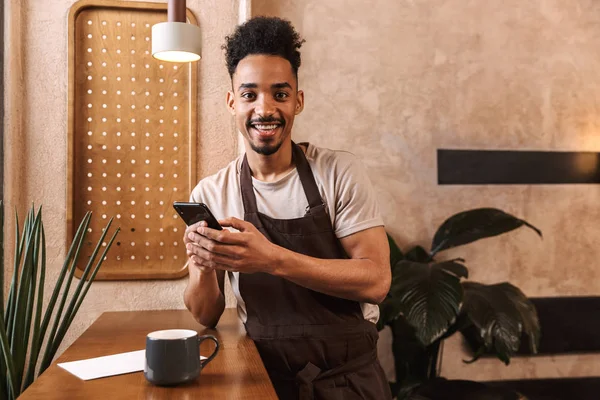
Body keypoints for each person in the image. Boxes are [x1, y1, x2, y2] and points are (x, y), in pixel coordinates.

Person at [183, 16, 392, 400]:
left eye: (280, 94)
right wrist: (201, 263)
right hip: (263, 381)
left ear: (298, 100)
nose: (265, 109)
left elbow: (376, 281)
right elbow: (205, 315)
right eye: (249, 95)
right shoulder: (212, 192)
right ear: (232, 103)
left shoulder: (338, 172)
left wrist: (271, 258)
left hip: (350, 381)